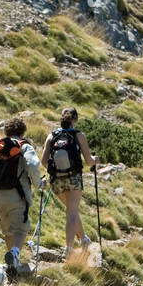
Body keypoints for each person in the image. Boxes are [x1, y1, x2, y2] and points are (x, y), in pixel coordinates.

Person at [0, 117, 40, 281]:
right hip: (17, 195)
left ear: (6, 131)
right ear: (23, 131)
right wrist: (39, 183)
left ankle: (13, 267)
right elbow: (33, 165)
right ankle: (15, 253)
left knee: (8, 230)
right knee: (21, 229)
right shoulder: (24, 146)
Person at [40, 107, 96, 257]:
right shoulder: (78, 135)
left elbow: (43, 161)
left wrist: (57, 170)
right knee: (71, 212)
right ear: (75, 120)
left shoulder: (52, 136)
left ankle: (84, 240)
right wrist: (96, 160)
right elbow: (89, 161)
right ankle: (69, 250)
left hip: (56, 180)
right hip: (73, 178)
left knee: (72, 210)